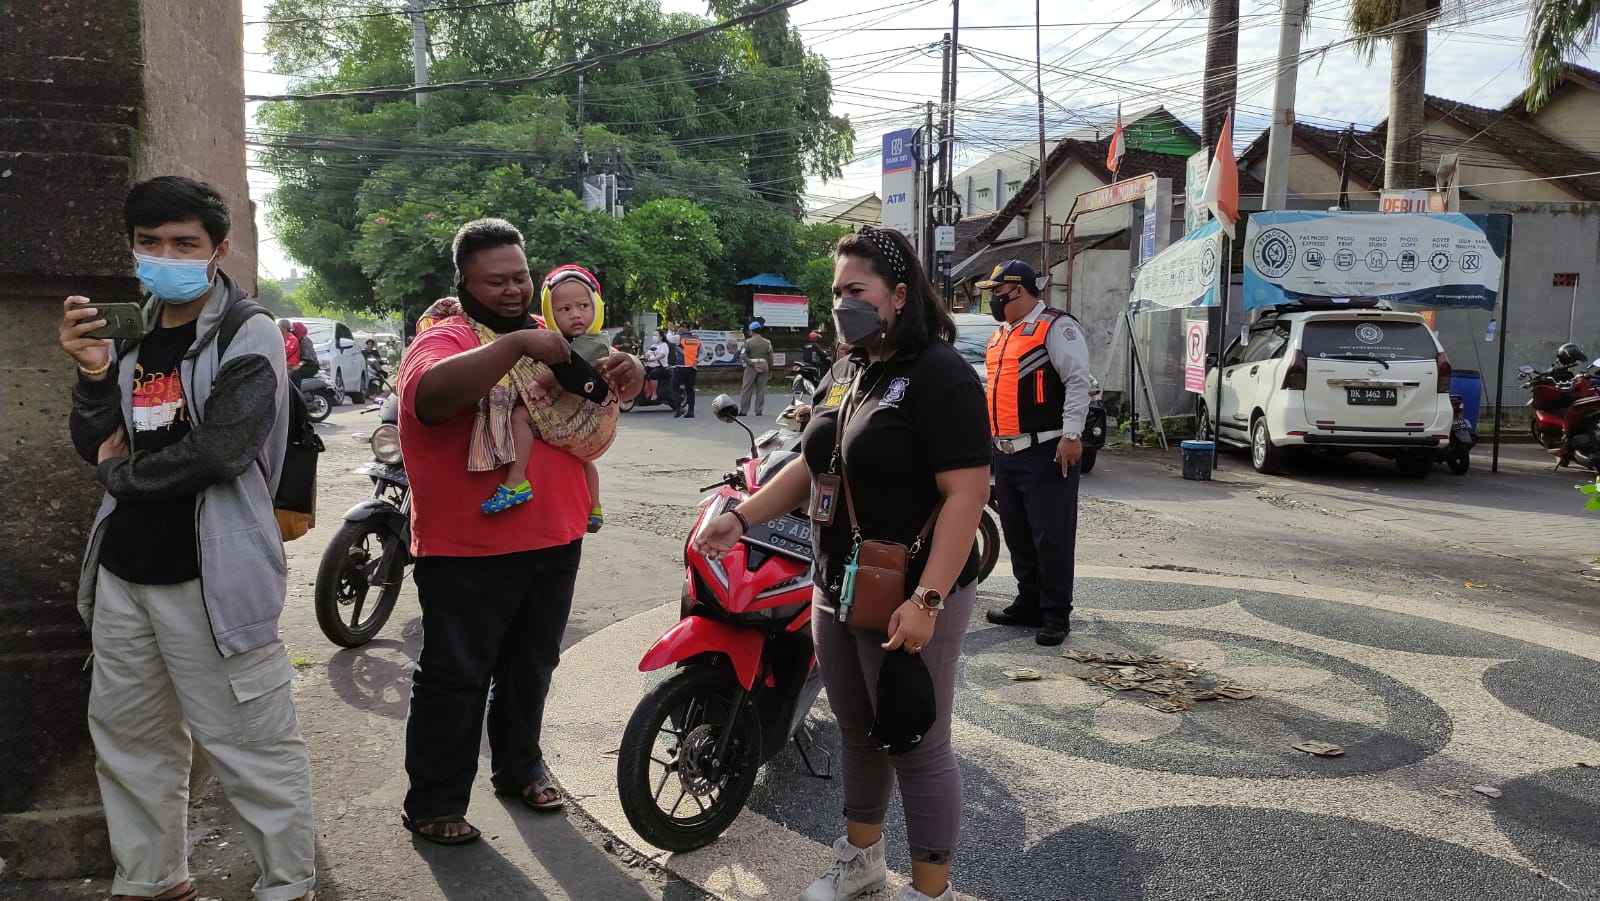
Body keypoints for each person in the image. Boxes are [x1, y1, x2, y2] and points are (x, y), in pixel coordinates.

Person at [694, 227, 990, 901]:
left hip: (913, 590)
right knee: (858, 735)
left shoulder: (941, 375)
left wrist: (931, 599)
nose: (841, 304)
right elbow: (809, 464)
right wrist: (741, 516)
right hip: (837, 583)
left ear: (900, 295)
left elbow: (967, 494)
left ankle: (929, 891)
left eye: (856, 290)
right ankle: (861, 864)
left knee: (916, 741)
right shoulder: (849, 370)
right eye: (835, 292)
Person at [57, 176, 316, 901]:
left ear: (217, 249)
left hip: (214, 577)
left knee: (252, 744)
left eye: (183, 244)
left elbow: (219, 451)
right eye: (149, 243)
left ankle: (288, 883)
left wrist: (119, 473)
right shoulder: (131, 327)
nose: (164, 255)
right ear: (131, 247)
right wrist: (91, 376)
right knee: (130, 740)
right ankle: (152, 879)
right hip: (126, 571)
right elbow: (93, 438)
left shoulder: (249, 332)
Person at [396, 218, 643, 845]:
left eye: (520, 277)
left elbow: (592, 396)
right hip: (468, 549)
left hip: (556, 536)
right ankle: (434, 802)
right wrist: (512, 349)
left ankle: (520, 769)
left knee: (532, 665)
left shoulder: (553, 336)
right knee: (456, 675)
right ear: (465, 282)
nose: (512, 291)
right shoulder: (444, 338)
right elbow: (428, 399)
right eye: (495, 281)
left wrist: (627, 377)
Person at [975, 259, 1093, 647]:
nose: (993, 301)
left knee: (1052, 536)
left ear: (1019, 291)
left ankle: (1056, 614)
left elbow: (1078, 383)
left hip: (1047, 449)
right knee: (1018, 532)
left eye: (998, 294)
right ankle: (1028, 602)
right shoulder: (1001, 335)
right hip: (1007, 453)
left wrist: (1072, 434)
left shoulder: (1056, 327)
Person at [738, 320, 773, 417]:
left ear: (751, 331)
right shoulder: (767, 342)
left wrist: (752, 364)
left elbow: (743, 355)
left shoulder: (748, 342)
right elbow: (770, 357)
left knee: (746, 388)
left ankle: (744, 411)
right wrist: (770, 369)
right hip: (764, 365)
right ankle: (759, 410)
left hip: (751, 366)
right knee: (761, 389)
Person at [669, 319, 702, 418]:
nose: (679, 329)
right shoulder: (696, 339)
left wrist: (670, 330)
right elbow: (703, 353)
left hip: (681, 367)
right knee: (690, 389)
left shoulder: (680, 338)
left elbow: (669, 338)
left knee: (673, 387)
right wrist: (697, 360)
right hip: (692, 368)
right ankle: (691, 412)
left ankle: (679, 408)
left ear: (684, 328)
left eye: (680, 327)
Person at [287, 321, 318, 387]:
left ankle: (296, 394)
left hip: (310, 366)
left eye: (294, 331)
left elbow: (308, 358)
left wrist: (298, 365)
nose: (292, 332)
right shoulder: (295, 340)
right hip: (301, 364)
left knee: (296, 374)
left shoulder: (304, 340)